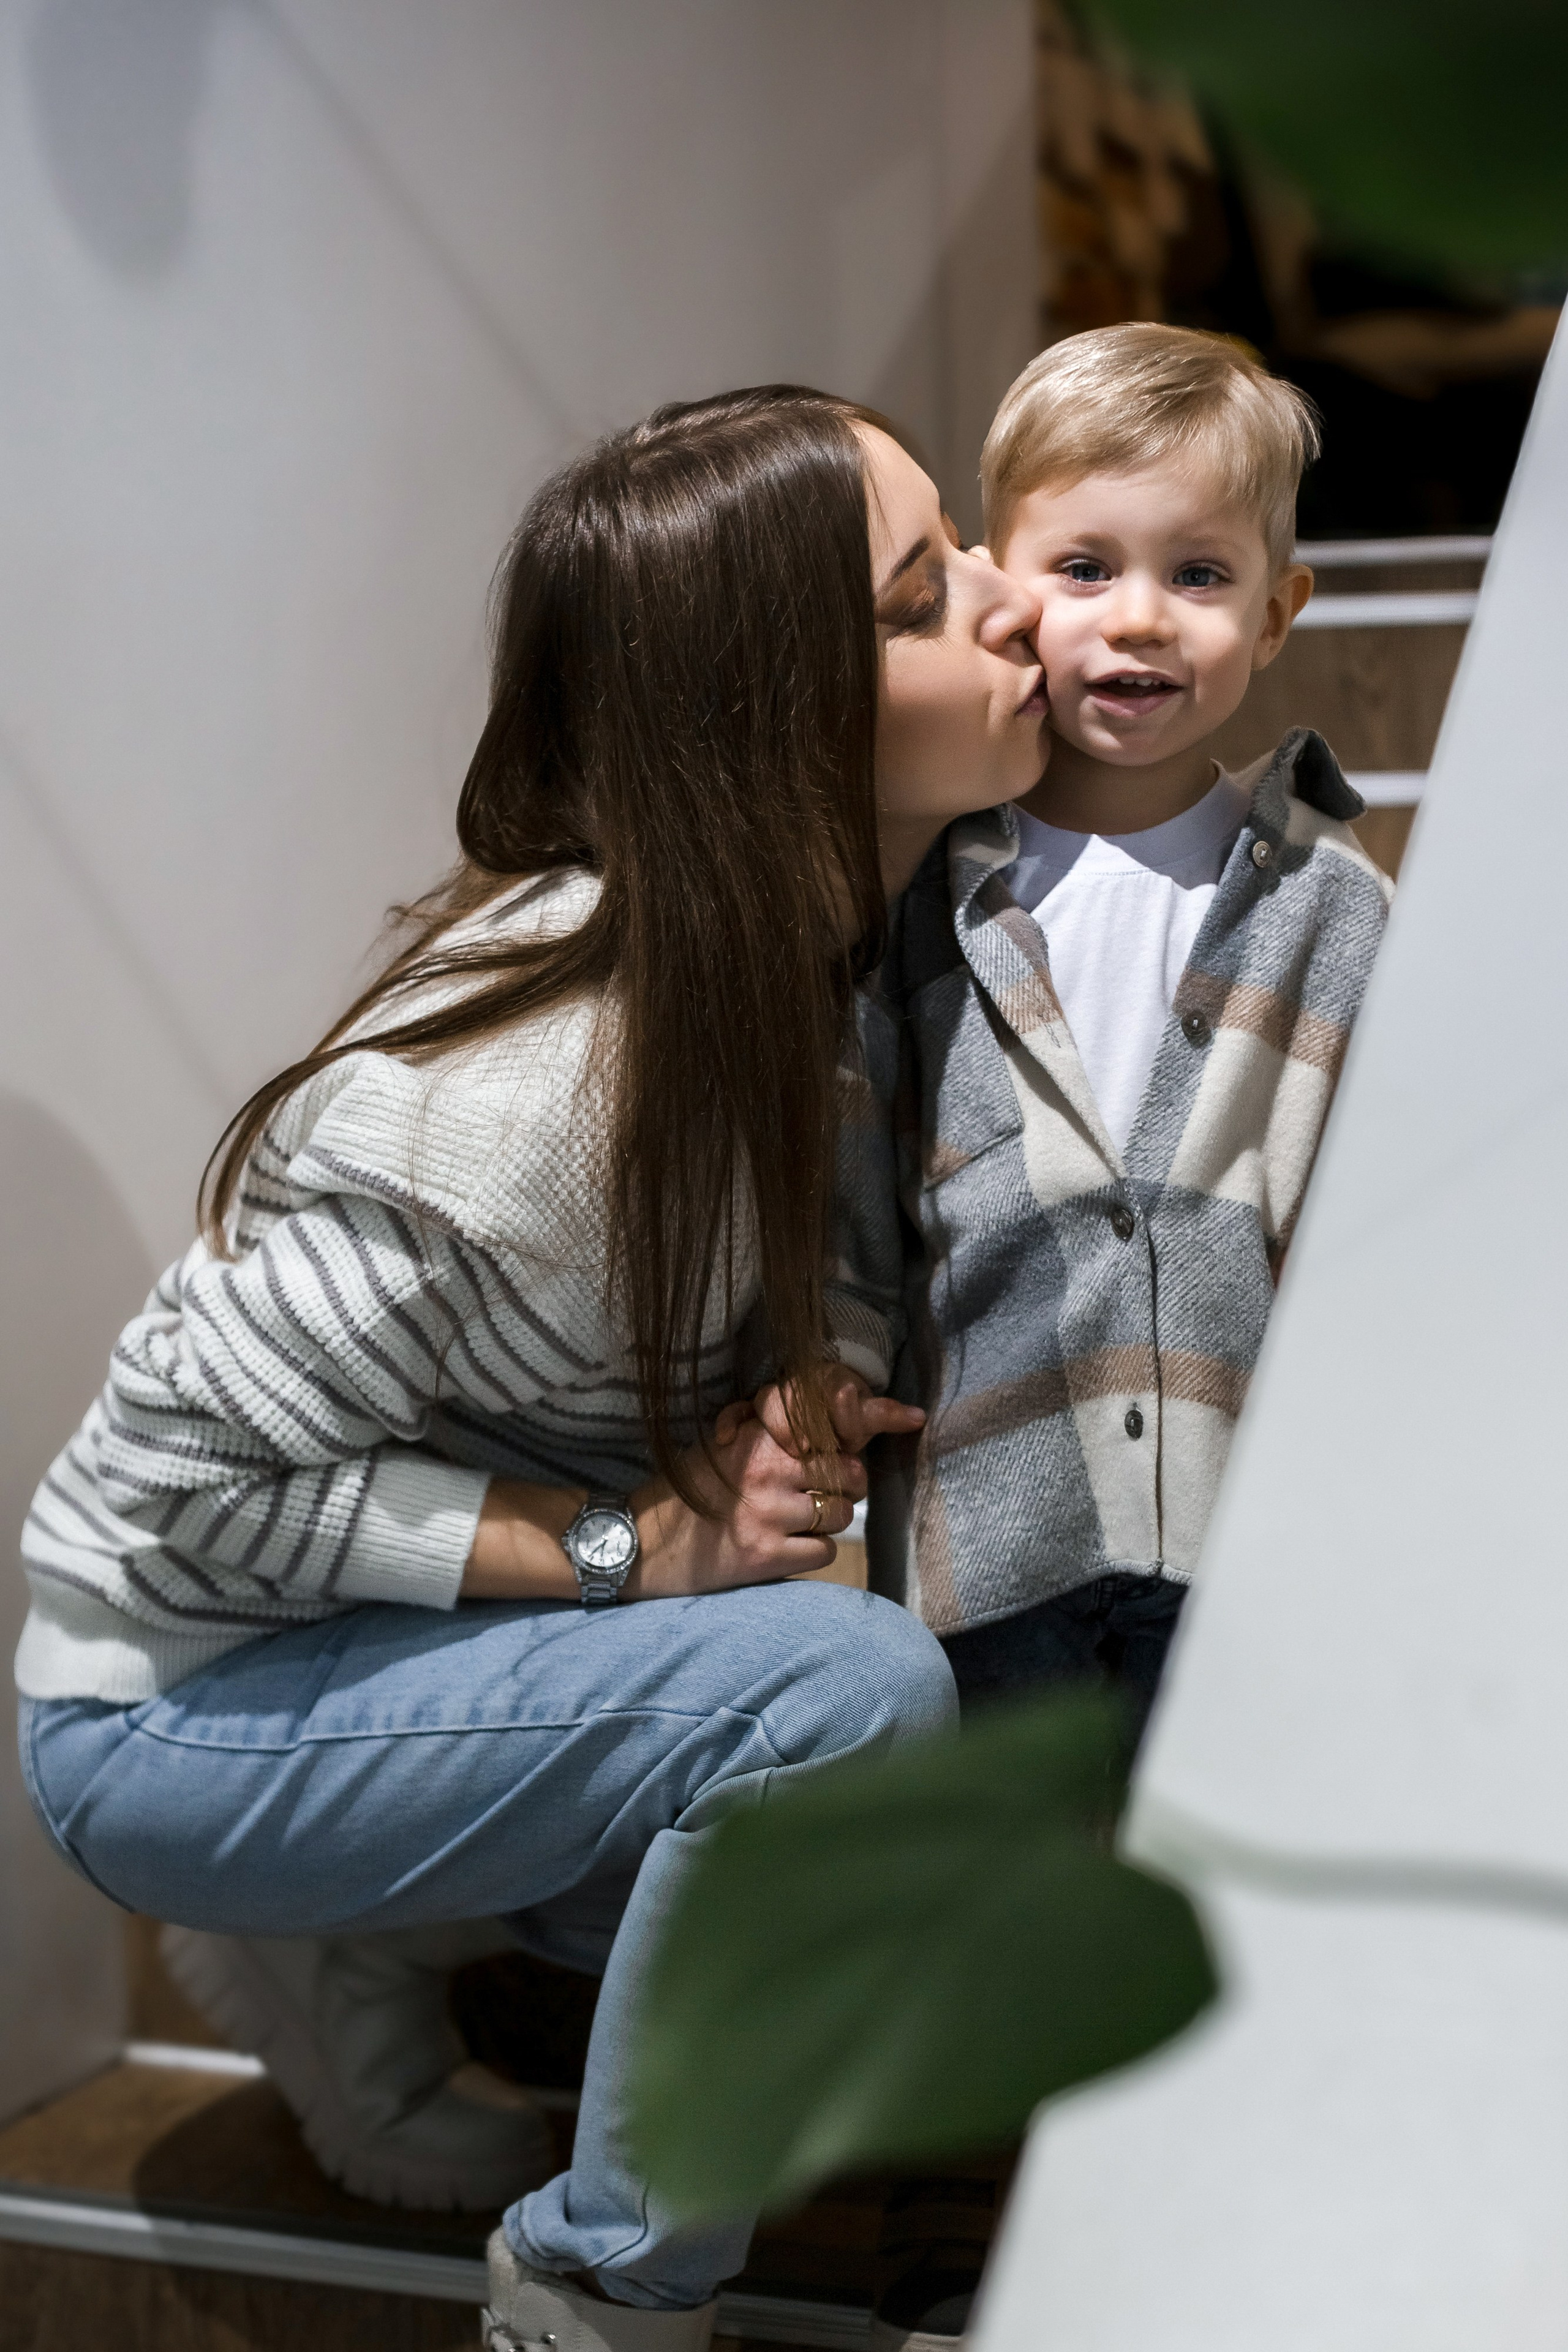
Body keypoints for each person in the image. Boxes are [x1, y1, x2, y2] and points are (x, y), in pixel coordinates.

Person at [14, 386, 1048, 2352]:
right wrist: (621, 1552)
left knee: (838, 1788)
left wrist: (804, 1384)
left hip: (360, 1648)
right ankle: (595, 2301)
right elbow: (176, 1500)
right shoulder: (534, 1094)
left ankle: (373, 1947)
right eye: (929, 593)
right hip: (164, 1700)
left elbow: (817, 1228)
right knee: (839, 1698)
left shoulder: (819, 948)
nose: (1010, 601)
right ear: (779, 728)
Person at [768, 323, 1392, 1733]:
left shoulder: (1336, 909)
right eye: (1083, 569)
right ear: (998, 582)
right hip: (988, 1543)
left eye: (1198, 575)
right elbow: (851, 1210)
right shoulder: (921, 889)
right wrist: (822, 1374)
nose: (1138, 617)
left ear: (1277, 614)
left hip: (1248, 1546)